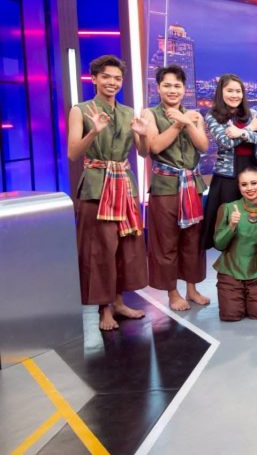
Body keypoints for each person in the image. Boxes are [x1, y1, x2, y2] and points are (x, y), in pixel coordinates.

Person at [68, 54, 149, 331]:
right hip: (96, 187)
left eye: (117, 78)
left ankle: (119, 302)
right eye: (106, 77)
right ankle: (103, 309)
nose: (112, 82)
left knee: (125, 247)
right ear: (94, 79)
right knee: (99, 249)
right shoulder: (81, 110)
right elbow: (73, 153)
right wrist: (94, 132)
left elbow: (144, 152)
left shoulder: (128, 112)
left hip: (124, 185)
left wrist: (143, 134)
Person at [143, 65, 210, 311]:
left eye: (177, 85)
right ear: (158, 88)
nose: (172, 90)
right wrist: (178, 124)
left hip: (191, 185)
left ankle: (192, 289)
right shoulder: (149, 114)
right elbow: (155, 146)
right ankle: (172, 293)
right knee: (166, 241)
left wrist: (187, 122)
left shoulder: (194, 115)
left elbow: (203, 146)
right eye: (167, 85)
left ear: (184, 89)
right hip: (165, 186)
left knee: (192, 240)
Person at [200, 74, 257, 251]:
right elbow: (226, 142)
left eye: (238, 91)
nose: (235, 95)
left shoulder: (252, 113)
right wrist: (251, 129)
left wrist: (241, 132)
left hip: (252, 171)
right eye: (230, 90)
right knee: (230, 225)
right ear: (221, 92)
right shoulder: (213, 116)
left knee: (256, 223)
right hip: (227, 176)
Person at [212, 166, 257, 321]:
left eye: (254, 183)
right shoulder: (227, 208)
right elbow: (219, 245)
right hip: (231, 272)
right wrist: (231, 226)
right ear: (239, 186)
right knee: (231, 315)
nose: (249, 188)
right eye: (244, 184)